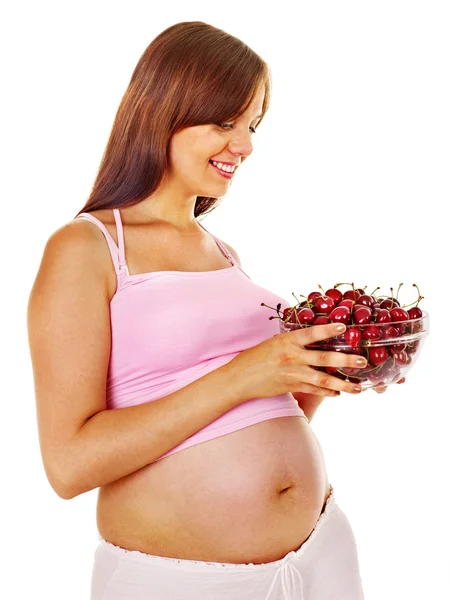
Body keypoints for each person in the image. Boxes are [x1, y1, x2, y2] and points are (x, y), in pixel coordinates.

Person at [27, 20, 393, 600]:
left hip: (320, 557)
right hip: (182, 581)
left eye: (252, 126)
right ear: (163, 110)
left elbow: (250, 415)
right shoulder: (88, 247)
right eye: (225, 123)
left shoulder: (223, 252)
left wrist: (319, 374)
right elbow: (69, 466)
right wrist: (248, 371)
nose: (244, 146)